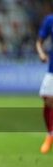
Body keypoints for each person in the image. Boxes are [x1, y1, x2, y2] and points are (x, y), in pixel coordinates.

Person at [36, 14, 53, 154]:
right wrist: (41, 54)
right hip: (52, 68)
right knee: (47, 100)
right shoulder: (50, 20)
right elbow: (39, 41)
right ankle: (50, 135)